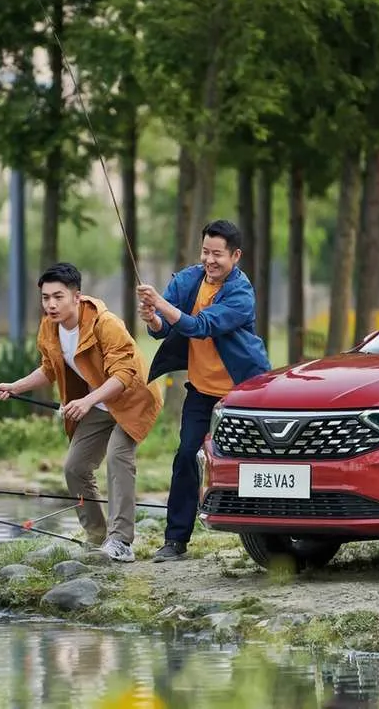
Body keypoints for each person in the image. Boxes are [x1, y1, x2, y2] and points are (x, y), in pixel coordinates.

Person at [0, 262, 164, 562]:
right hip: (98, 402)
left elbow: (124, 375)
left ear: (77, 296)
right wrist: (15, 386)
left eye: (58, 297)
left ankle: (121, 541)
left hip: (132, 400)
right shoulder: (49, 327)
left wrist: (86, 402)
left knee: (118, 457)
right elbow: (49, 369)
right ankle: (96, 536)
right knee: (75, 467)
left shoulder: (105, 324)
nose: (51, 304)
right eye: (46, 297)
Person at [137, 219, 272, 562]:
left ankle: (270, 533)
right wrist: (153, 317)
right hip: (201, 390)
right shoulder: (188, 280)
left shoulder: (241, 293)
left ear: (235, 256)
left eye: (218, 254)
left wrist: (161, 305)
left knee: (253, 460)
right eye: (205, 252)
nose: (210, 260)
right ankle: (175, 540)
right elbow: (162, 329)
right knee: (186, 456)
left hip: (242, 392)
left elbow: (201, 326)